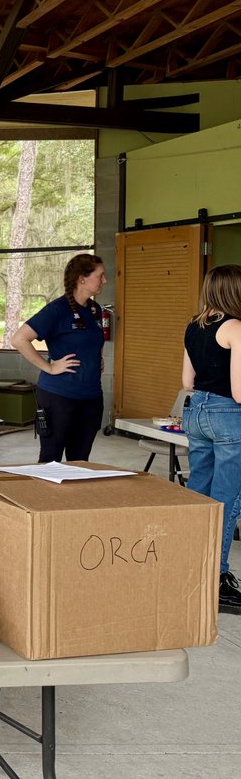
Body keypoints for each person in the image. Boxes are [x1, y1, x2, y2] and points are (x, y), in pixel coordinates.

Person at [181, 264, 241, 616]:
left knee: (198, 494)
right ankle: (216, 577)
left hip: (196, 412)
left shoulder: (194, 325)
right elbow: (238, 390)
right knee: (228, 500)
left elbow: (187, 382)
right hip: (228, 417)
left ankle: (189, 568)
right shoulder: (235, 327)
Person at [10, 253, 107, 462]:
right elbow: (19, 339)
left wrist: (95, 357)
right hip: (59, 397)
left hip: (91, 398)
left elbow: (92, 340)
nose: (104, 281)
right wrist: (49, 367)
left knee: (80, 461)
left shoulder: (94, 309)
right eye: (101, 276)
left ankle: (73, 497)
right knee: (50, 459)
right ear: (82, 279)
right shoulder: (57, 310)